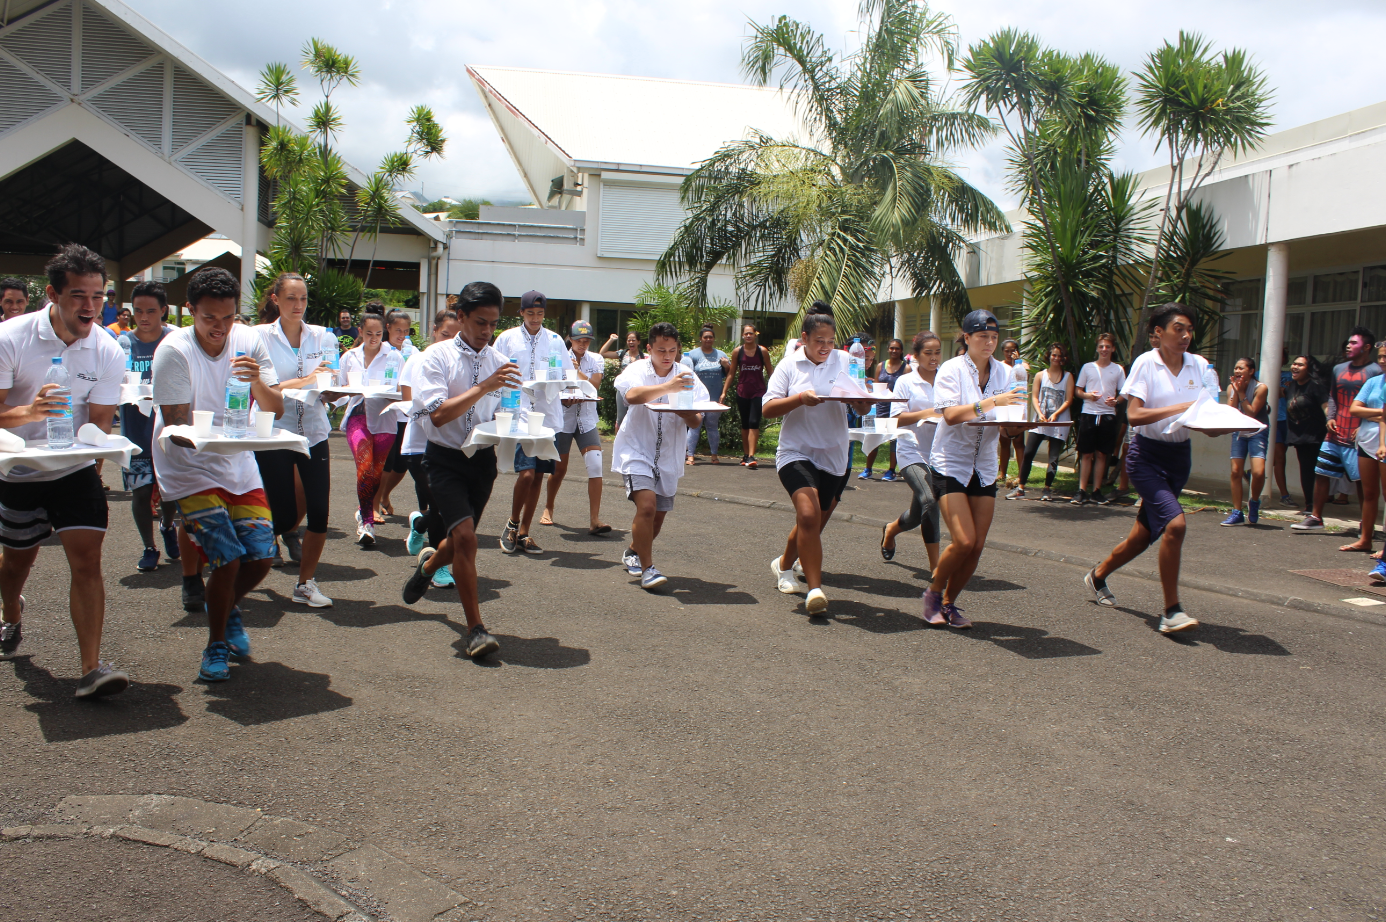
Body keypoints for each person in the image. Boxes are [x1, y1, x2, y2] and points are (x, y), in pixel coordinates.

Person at [0, 243, 127, 697]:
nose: (90, 306)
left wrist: (96, 461)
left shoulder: (107, 348)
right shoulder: (11, 337)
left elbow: (101, 423)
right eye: (78, 296)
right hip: (17, 469)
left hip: (72, 469)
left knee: (87, 560)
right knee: (16, 561)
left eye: (97, 296)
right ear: (53, 295)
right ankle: (11, 612)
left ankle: (91, 669)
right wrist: (29, 412)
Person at [152, 267, 284, 681]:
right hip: (188, 468)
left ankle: (224, 607)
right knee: (227, 560)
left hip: (238, 464)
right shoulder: (174, 350)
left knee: (262, 557)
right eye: (209, 317)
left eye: (228, 317)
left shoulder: (249, 341)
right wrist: (223, 437)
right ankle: (216, 646)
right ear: (190, 310)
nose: (220, 327)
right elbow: (177, 429)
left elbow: (275, 407)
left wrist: (256, 381)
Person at [1084, 303, 1223, 635]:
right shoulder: (1147, 363)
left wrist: (1222, 424)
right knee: (1175, 525)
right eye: (1178, 328)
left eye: (1189, 330)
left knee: (1141, 537)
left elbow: (1208, 418)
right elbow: (1134, 415)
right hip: (1146, 457)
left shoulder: (1201, 366)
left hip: (1179, 457)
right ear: (1159, 332)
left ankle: (1097, 576)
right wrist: (1182, 407)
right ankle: (1172, 611)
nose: (1186, 336)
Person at [400, 282, 521, 659]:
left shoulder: (499, 361)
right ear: (462, 316)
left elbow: (507, 412)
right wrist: (485, 386)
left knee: (457, 543)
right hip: (444, 458)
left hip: (482, 461)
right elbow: (438, 414)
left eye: (494, 324)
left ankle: (428, 566)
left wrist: (517, 423)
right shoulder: (435, 357)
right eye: (480, 322)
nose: (487, 331)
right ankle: (476, 630)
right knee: (467, 539)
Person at [762, 302, 873, 615]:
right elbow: (767, 409)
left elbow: (863, 406)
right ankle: (815, 590)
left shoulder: (846, 360)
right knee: (809, 515)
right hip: (796, 451)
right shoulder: (790, 365)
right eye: (818, 341)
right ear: (804, 339)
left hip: (834, 454)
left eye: (830, 341)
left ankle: (784, 565)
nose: (825, 347)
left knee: (812, 521)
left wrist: (862, 399)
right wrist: (800, 399)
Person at [921, 310, 1023, 628]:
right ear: (967, 338)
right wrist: (992, 403)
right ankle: (933, 594)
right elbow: (951, 416)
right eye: (982, 336)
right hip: (951, 462)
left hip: (985, 465)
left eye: (993, 337)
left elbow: (1010, 423)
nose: (989, 343)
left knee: (977, 545)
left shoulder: (1005, 373)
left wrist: (1027, 422)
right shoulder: (951, 369)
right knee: (963, 541)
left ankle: (949, 603)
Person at [254, 272, 335, 607]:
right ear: (276, 299)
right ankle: (236, 559)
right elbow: (268, 389)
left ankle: (305, 584)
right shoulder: (259, 336)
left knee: (319, 512)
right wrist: (307, 379)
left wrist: (335, 389)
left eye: (303, 298)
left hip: (314, 432)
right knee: (283, 515)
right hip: (274, 433)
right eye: (290, 298)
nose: (298, 305)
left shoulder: (322, 336)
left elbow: (331, 381)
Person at [613, 322, 707, 590]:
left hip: (668, 455)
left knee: (657, 519)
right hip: (636, 449)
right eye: (661, 350)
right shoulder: (638, 369)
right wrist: (669, 387)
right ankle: (648, 569)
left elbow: (697, 419)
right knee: (647, 507)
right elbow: (632, 396)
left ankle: (634, 551)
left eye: (672, 350)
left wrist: (684, 412)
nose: (667, 356)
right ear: (649, 349)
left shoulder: (687, 375)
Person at [492, 290, 572, 555]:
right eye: (530, 313)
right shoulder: (507, 339)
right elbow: (494, 373)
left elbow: (565, 373)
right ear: (521, 313)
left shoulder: (555, 340)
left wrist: (564, 386)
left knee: (538, 474)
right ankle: (512, 523)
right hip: (518, 412)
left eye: (539, 313)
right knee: (525, 473)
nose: (535, 318)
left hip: (547, 416)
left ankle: (524, 532)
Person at [1291, 325, 1380, 537]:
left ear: (1367, 347)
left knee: (1362, 482)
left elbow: (1375, 402)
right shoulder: (1339, 369)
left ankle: (1365, 525)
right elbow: (1333, 396)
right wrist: (1330, 418)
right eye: (1348, 342)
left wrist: (1362, 427)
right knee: (1322, 473)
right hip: (1334, 433)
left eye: (1354, 343)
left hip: (1358, 437)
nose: (1348, 345)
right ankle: (1316, 517)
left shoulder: (1375, 371)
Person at [121, 281, 179, 572]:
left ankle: (167, 525)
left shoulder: (175, 340)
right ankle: (149, 547)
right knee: (141, 492)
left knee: (169, 491)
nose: (143, 317)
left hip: (167, 428)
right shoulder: (122, 344)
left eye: (151, 311)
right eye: (138, 311)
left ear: (163, 310)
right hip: (135, 429)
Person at [402, 309, 463, 591]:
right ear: (434, 331)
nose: (449, 341)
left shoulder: (462, 362)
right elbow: (407, 402)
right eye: (444, 334)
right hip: (419, 445)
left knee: (443, 507)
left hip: (452, 445)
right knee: (440, 506)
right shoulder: (418, 360)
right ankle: (438, 565)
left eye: (455, 336)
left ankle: (420, 525)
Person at [880, 330, 944, 572]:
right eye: (928, 353)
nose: (934, 357)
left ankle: (891, 529)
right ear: (916, 355)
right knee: (930, 500)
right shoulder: (905, 382)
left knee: (918, 514)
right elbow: (896, 418)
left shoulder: (947, 380)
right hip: (911, 452)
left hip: (940, 454)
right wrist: (926, 414)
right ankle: (936, 568)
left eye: (937, 352)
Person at [541, 320, 610, 534]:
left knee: (595, 465)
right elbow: (551, 388)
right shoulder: (558, 359)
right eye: (579, 340)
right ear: (570, 339)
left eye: (587, 340)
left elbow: (594, 386)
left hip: (587, 420)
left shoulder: (596, 359)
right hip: (563, 419)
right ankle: (548, 506)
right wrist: (564, 399)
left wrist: (577, 371)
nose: (583, 344)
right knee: (559, 469)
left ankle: (595, 520)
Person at [338, 313, 400, 546]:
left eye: (378, 334)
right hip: (358, 415)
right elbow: (339, 390)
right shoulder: (349, 357)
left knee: (376, 473)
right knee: (364, 467)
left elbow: (402, 389)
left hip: (385, 418)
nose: (374, 338)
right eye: (368, 333)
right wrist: (337, 391)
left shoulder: (394, 356)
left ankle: (363, 509)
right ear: (360, 332)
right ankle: (367, 522)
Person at [1006, 343, 1074, 502]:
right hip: (1040, 421)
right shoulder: (1040, 375)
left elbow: (1068, 399)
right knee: (1029, 453)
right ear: (1049, 356)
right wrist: (1040, 413)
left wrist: (1056, 414)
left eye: (1059, 356)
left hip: (1059, 422)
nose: (1056, 358)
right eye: (1053, 355)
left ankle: (1047, 489)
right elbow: (1035, 397)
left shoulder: (1068, 376)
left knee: (1053, 457)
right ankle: (1020, 488)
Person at [374, 309, 420, 521]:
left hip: (406, 413)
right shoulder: (381, 350)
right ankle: (373, 503)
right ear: (388, 328)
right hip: (386, 411)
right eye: (398, 330)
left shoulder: (414, 352)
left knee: (402, 463)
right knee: (387, 460)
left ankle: (384, 495)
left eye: (406, 330)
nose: (402, 334)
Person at [1073, 333, 1126, 504]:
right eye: (1101, 346)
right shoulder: (1088, 367)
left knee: (1102, 455)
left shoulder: (1118, 369)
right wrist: (1088, 396)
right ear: (1097, 348)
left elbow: (1124, 393)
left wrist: (1116, 401)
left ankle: (1096, 490)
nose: (1104, 349)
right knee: (1086, 454)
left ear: (1113, 349)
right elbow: (1078, 390)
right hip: (1089, 414)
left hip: (1107, 416)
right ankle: (1081, 490)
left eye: (1107, 346)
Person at [1221, 357, 1270, 526]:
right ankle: (1237, 512)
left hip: (1257, 431)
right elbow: (1231, 411)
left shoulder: (1261, 388)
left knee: (1258, 472)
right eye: (1235, 368)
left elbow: (1251, 413)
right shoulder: (1231, 387)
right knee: (1236, 471)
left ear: (1251, 371)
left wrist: (1242, 393)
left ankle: (1254, 501)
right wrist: (1235, 391)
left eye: (1241, 368)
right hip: (1239, 431)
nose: (1237, 371)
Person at [1352, 344, 1386, 576]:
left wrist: (1373, 414)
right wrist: (1380, 414)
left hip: (1382, 442)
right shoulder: (1373, 382)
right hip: (1368, 440)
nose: (1382, 361)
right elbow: (1354, 409)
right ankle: (1365, 538)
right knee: (1369, 493)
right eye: (1380, 357)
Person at [1282, 355, 1329, 516]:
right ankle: (1310, 505)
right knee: (1306, 471)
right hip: (1300, 437)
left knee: (1317, 473)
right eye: (1294, 363)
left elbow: (1326, 407)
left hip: (1316, 437)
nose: (1295, 367)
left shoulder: (1316, 386)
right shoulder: (1292, 386)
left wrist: (1331, 421)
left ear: (1309, 370)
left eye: (1300, 365)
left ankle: (1315, 507)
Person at [727, 323, 774, 467]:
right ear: (743, 335)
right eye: (746, 333)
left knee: (754, 422)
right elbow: (731, 373)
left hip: (758, 391)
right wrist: (724, 392)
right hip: (742, 391)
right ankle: (746, 455)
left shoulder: (762, 351)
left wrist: (776, 390)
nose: (748, 336)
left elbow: (771, 372)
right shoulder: (737, 352)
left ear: (755, 335)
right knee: (745, 424)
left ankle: (752, 456)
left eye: (751, 333)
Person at [682, 324, 729, 465]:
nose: (708, 339)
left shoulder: (721, 355)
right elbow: (686, 374)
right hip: (697, 398)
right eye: (705, 337)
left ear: (714, 339)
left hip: (715, 396)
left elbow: (729, 374)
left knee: (712, 426)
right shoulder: (692, 355)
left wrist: (726, 365)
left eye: (710, 337)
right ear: (700, 339)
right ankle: (690, 456)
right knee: (694, 426)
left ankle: (714, 456)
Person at [862, 338, 907, 481]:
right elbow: (876, 385)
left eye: (897, 348)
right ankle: (868, 469)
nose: (894, 351)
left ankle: (891, 471)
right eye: (891, 348)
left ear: (901, 350)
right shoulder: (881, 366)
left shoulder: (906, 368)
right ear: (888, 349)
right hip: (881, 407)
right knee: (875, 438)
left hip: (896, 408)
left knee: (894, 440)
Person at [996, 338, 1028, 487]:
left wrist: (1017, 362)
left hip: (1018, 405)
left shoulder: (1022, 365)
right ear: (1002, 352)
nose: (1010, 354)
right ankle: (1002, 473)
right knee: (1004, 441)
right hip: (1004, 405)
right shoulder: (999, 366)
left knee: (1019, 442)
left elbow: (1026, 376)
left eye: (1013, 351)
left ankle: (1022, 474)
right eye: (1007, 351)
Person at [603, 330, 644, 435]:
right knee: (620, 418)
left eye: (633, 340)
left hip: (637, 389)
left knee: (636, 418)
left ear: (638, 342)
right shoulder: (622, 353)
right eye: (629, 340)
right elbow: (603, 353)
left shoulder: (644, 357)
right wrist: (611, 339)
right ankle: (617, 441)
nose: (631, 342)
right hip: (622, 389)